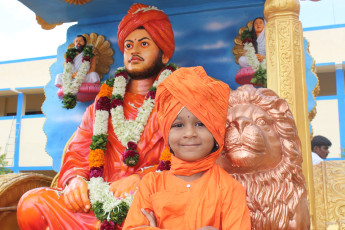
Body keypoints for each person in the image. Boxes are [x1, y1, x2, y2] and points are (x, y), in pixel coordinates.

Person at [17, 3, 175, 229]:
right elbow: (78, 154)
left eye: (144, 43)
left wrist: (142, 179)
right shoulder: (102, 106)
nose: (134, 50)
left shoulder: (176, 100)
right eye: (128, 45)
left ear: (165, 53)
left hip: (148, 203)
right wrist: (76, 181)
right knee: (32, 204)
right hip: (95, 203)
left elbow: (190, 158)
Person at [123, 66, 251, 230]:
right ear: (166, 131)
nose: (189, 133)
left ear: (216, 130)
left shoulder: (229, 189)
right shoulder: (151, 185)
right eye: (178, 125)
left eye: (200, 124)